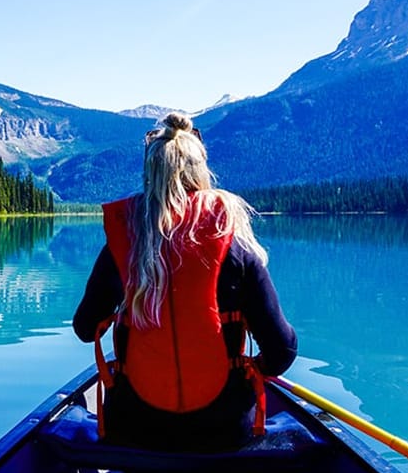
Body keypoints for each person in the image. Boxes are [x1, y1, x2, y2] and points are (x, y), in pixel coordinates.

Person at [72, 112, 297, 453]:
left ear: (150, 174)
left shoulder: (124, 244)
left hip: (135, 429)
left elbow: (85, 328)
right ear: (201, 172)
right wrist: (251, 369)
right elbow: (282, 351)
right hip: (224, 430)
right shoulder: (234, 248)